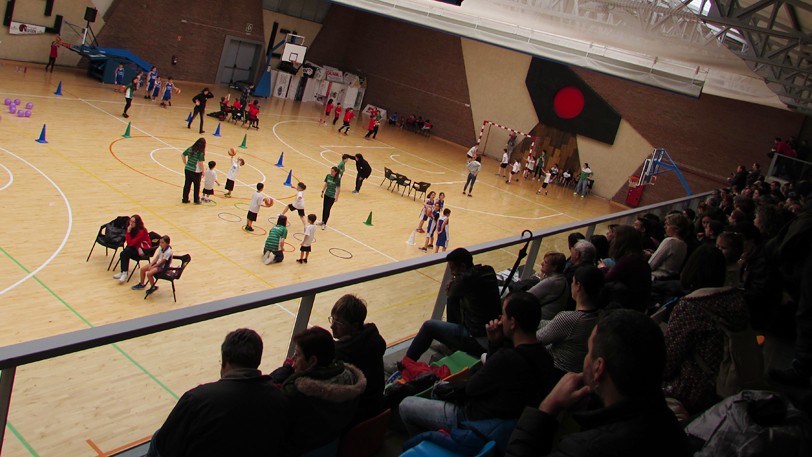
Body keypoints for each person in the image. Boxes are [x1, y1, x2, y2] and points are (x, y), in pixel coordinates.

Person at [506, 310, 693, 457]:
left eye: (589, 351)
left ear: (598, 368)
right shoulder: (669, 424)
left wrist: (548, 407)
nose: (586, 358)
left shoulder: (585, 448)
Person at [399, 292, 559, 436]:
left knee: (407, 404)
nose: (500, 319)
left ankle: (433, 442)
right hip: (509, 423)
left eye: (503, 315)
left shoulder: (506, 359)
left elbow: (471, 388)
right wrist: (495, 344)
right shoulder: (546, 357)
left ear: (513, 323)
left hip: (476, 421)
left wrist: (446, 385)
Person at [147, 328, 289, 457]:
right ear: (257, 361)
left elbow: (165, 446)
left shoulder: (197, 399)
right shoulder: (279, 399)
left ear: (224, 362)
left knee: (158, 437)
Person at [404, 248, 501, 361]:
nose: (452, 273)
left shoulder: (465, 280)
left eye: (453, 269)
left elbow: (450, 293)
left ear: (463, 267)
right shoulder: (488, 271)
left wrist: (454, 283)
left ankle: (404, 365)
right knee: (454, 298)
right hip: (493, 334)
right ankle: (450, 346)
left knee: (429, 327)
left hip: (477, 339)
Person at [282, 327, 366, 456]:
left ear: (312, 361)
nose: (293, 358)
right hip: (332, 445)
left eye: (298, 354)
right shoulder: (351, 379)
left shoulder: (295, 392)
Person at [330, 294, 387, 424]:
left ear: (354, 326)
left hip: (357, 415)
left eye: (339, 323)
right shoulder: (373, 339)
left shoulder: (340, 353)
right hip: (375, 405)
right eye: (332, 320)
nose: (332, 326)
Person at [537, 265, 603, 375]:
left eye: (573, 282)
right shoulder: (600, 316)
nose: (571, 285)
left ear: (578, 286)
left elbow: (536, 338)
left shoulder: (570, 319)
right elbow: (553, 326)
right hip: (574, 372)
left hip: (554, 371)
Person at [602, 225, 652, 311]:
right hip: (638, 306)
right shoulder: (638, 257)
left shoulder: (629, 260)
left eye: (615, 238)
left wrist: (602, 268)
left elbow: (606, 279)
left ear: (621, 241)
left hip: (628, 308)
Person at [527, 252, 569, 320]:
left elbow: (527, 296)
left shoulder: (551, 282)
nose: (541, 263)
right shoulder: (563, 280)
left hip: (540, 321)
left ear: (554, 267)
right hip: (552, 320)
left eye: (545, 262)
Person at [648, 213, 690, 281]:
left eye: (667, 224)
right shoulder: (684, 245)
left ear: (677, 229)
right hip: (668, 280)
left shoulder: (669, 241)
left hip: (655, 278)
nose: (665, 227)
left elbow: (651, 265)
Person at [113, 215, 152, 284]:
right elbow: (129, 243)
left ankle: (124, 273)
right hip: (136, 246)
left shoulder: (141, 231)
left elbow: (130, 243)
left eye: (133, 222)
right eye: (130, 221)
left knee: (126, 251)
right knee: (123, 253)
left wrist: (128, 232)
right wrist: (129, 232)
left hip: (143, 249)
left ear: (137, 223)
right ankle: (123, 271)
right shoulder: (132, 228)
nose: (131, 223)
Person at [180, 138, 206, 204]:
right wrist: (203, 171)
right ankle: (196, 200)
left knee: (187, 184)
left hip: (187, 169)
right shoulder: (200, 153)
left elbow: (183, 155)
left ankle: (185, 199)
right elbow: (200, 163)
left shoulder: (191, 148)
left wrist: (186, 163)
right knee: (197, 186)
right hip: (196, 171)